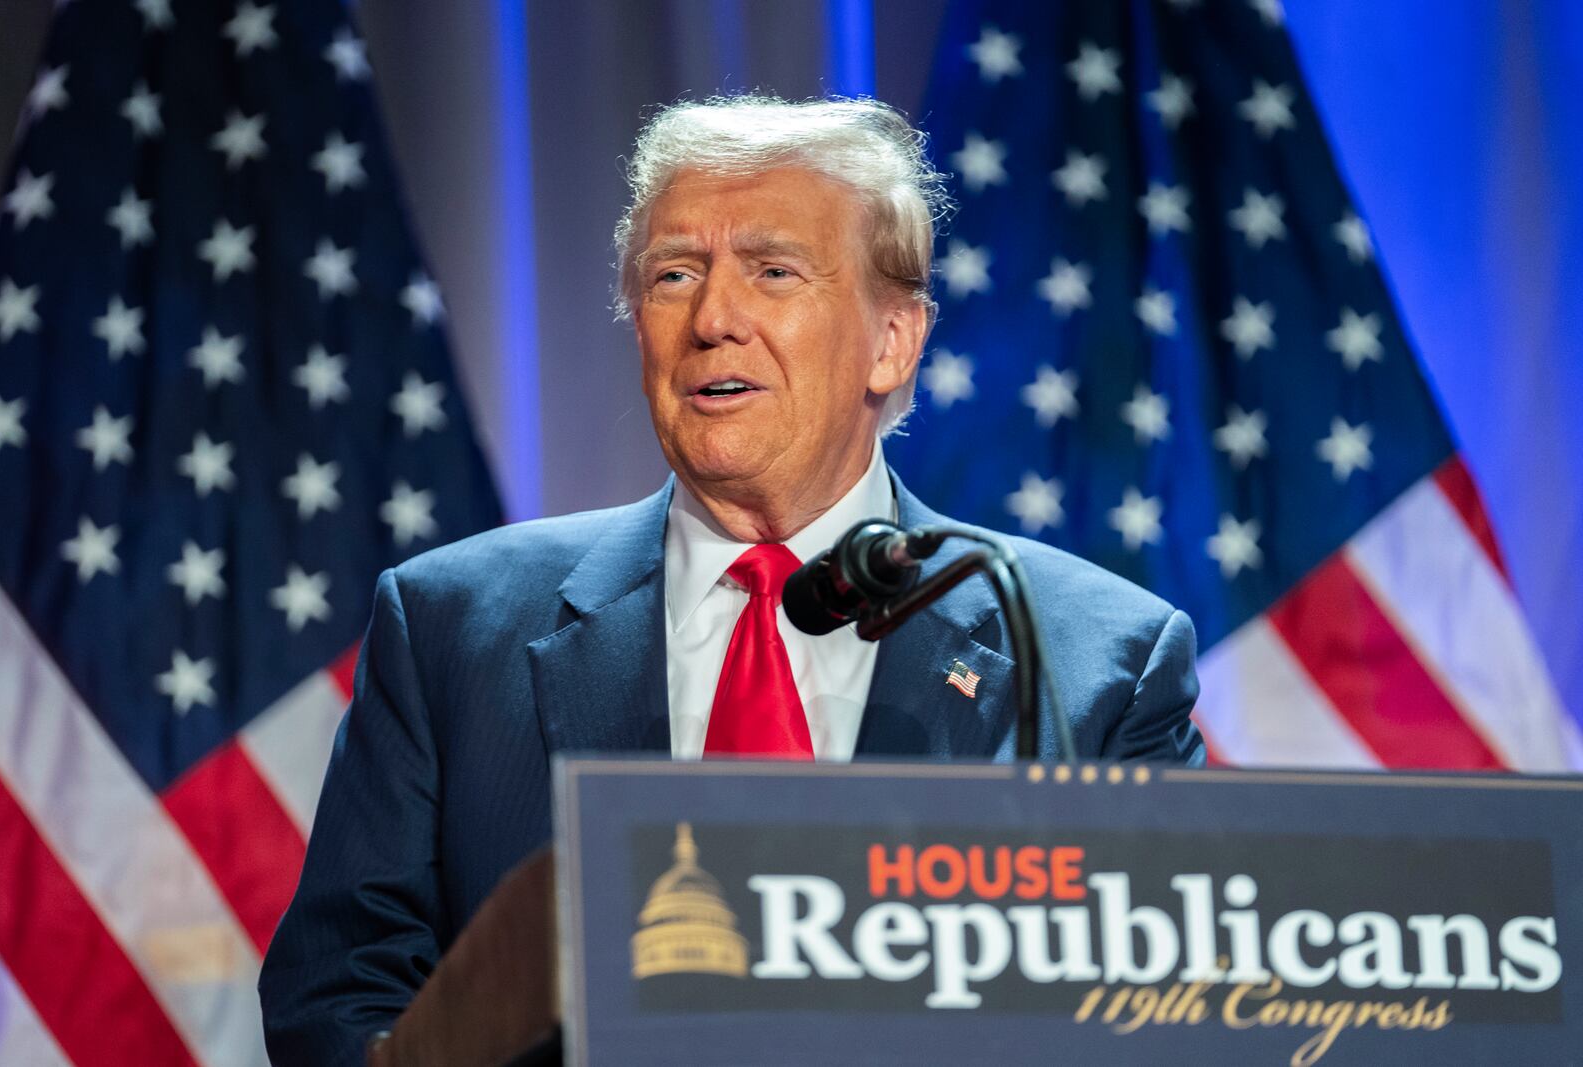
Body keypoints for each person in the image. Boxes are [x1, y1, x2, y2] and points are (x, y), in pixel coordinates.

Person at [259, 95, 1204, 1061]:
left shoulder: (1096, 659)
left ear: (893, 340)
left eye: (773, 271)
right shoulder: (449, 624)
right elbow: (338, 997)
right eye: (674, 275)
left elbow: (1167, 1022)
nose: (712, 318)